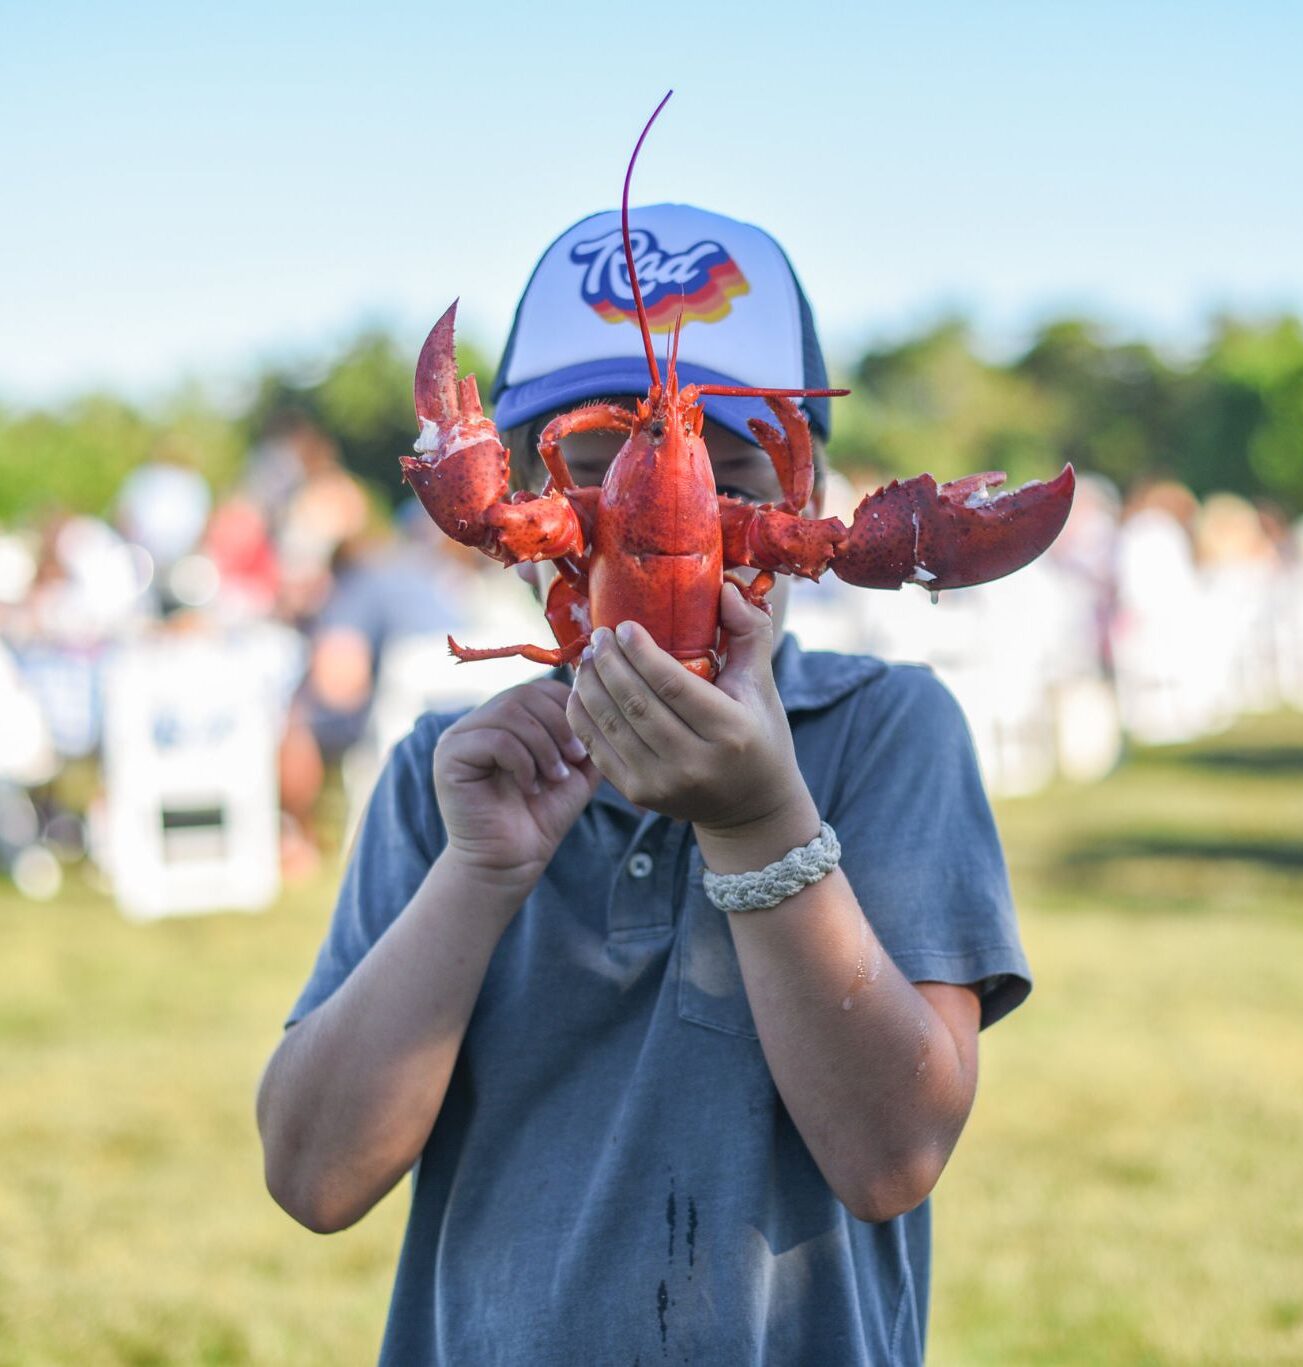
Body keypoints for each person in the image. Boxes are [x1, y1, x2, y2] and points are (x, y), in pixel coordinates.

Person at [256, 204, 1032, 1365]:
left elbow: (889, 1158)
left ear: (801, 478)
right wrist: (478, 873)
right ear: (513, 495)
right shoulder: (444, 776)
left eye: (740, 479)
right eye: (581, 471)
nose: (697, 521)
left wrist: (759, 823)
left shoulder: (885, 733)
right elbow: (314, 1173)